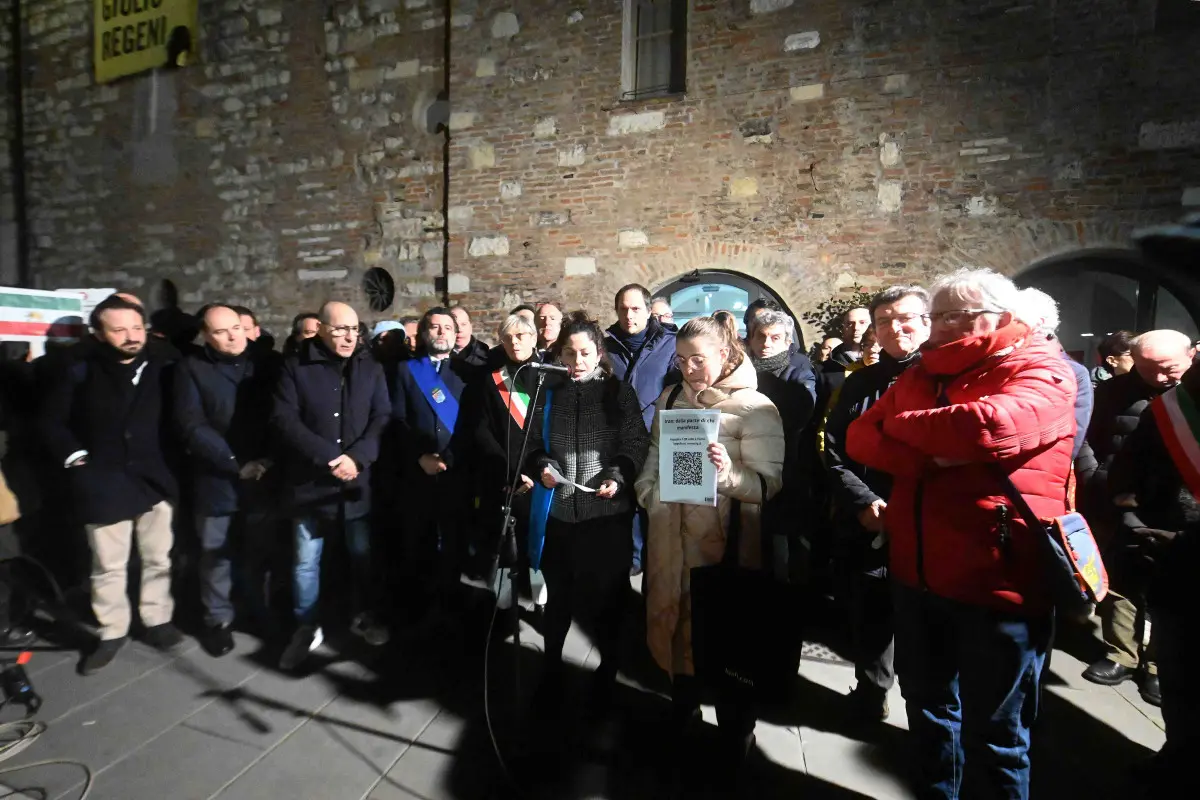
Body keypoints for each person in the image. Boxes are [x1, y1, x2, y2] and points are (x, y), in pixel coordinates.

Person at [846, 268, 1076, 799]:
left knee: (997, 734)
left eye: (954, 316)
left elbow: (987, 425)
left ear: (997, 316)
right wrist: (932, 454)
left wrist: (905, 429)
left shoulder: (1040, 366)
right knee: (926, 713)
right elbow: (861, 435)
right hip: (916, 572)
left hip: (997, 581)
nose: (941, 327)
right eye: (940, 315)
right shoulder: (920, 374)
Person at [636, 312, 785, 774]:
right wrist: (648, 494)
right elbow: (652, 463)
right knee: (677, 628)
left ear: (724, 354)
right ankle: (682, 708)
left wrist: (727, 473)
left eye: (697, 360)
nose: (688, 369)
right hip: (669, 538)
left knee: (725, 637)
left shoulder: (755, 407)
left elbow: (767, 485)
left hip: (724, 544)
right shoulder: (670, 398)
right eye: (680, 360)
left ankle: (735, 730)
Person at [38, 294, 185, 674]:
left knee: (158, 556)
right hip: (102, 478)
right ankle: (112, 629)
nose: (131, 336)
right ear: (99, 333)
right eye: (118, 330)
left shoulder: (166, 361)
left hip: (155, 476)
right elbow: (52, 420)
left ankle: (157, 618)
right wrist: (75, 458)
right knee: (108, 563)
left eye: (136, 327)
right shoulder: (79, 367)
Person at [526, 312, 649, 710]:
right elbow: (534, 444)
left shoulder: (618, 392)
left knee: (607, 599)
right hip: (561, 513)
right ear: (560, 353)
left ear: (598, 353)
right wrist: (544, 465)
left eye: (584, 352)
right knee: (559, 595)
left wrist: (617, 474)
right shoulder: (550, 393)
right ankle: (551, 665)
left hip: (605, 516)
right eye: (569, 352)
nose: (577, 360)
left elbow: (635, 441)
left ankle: (608, 670)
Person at [824, 285, 931, 723]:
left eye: (905, 318)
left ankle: (928, 714)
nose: (894, 328)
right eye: (884, 320)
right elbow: (831, 449)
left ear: (927, 322)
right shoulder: (859, 384)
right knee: (869, 618)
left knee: (925, 629)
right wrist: (862, 501)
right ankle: (870, 694)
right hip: (869, 520)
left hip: (928, 524)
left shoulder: (945, 382)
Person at [271, 301, 391, 670]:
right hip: (312, 485)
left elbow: (381, 415)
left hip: (356, 482)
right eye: (340, 329)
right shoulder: (295, 367)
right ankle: (306, 626)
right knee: (306, 563)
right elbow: (284, 418)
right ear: (320, 328)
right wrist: (328, 457)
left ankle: (364, 615)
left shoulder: (370, 367)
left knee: (361, 558)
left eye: (354, 329)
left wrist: (358, 458)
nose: (348, 336)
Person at [1080, 329, 1194, 698]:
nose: (1160, 378)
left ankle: (1161, 664)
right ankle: (1121, 654)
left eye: (1169, 368)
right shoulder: (1112, 393)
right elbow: (1084, 440)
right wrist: (1097, 480)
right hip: (1119, 498)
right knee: (1120, 582)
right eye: (1149, 369)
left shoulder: (1190, 398)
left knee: (1174, 590)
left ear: (1191, 355)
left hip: (1181, 509)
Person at [1108, 362, 1200, 796]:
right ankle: (1179, 755)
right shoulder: (1171, 410)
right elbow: (1129, 468)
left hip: (1183, 546)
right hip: (1175, 561)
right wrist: (1131, 517)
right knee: (1181, 672)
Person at [174, 305, 276, 656]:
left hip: (264, 475)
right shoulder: (191, 369)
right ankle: (217, 619)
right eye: (222, 332)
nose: (233, 336)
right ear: (206, 335)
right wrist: (235, 464)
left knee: (258, 552)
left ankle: (256, 611)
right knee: (215, 555)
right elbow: (192, 426)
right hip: (217, 478)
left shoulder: (266, 364)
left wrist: (268, 458)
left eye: (237, 328)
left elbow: (283, 414)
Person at [449, 313, 547, 588]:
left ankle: (540, 597)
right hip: (504, 477)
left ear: (533, 338)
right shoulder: (490, 382)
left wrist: (538, 469)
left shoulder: (549, 377)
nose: (515, 342)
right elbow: (481, 432)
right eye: (508, 337)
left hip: (541, 476)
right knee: (504, 548)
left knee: (540, 542)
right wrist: (510, 471)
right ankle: (504, 602)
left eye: (521, 336)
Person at [391, 308, 471, 625]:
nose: (441, 332)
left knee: (454, 540)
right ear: (424, 334)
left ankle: (452, 599)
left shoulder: (468, 372)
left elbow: (473, 423)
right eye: (434, 327)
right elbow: (395, 420)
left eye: (447, 327)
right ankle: (420, 602)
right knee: (419, 539)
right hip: (417, 471)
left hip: (455, 471)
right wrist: (419, 456)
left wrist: (450, 458)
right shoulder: (405, 371)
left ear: (455, 334)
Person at [605, 284, 679, 575]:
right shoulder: (605, 344)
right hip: (618, 438)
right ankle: (632, 564)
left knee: (657, 505)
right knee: (625, 505)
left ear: (650, 311)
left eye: (635, 308)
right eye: (623, 308)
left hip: (658, 436)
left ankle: (656, 564)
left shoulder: (670, 343)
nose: (628, 315)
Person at [745, 308, 816, 578]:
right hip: (748, 464)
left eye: (775, 338)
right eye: (760, 337)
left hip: (787, 465)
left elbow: (800, 411)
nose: (766, 344)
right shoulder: (741, 368)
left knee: (783, 540)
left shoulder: (799, 368)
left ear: (788, 341)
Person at [449, 305, 489, 373]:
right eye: (454, 325)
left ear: (471, 326)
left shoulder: (486, 354)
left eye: (463, 324)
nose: (459, 330)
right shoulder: (435, 355)